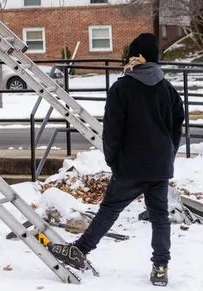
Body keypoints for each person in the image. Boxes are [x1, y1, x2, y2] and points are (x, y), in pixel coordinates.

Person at [48, 33, 184, 287]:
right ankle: (161, 267)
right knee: (159, 216)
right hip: (159, 166)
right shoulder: (168, 89)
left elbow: (111, 132)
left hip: (130, 165)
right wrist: (169, 153)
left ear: (137, 57)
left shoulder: (122, 88)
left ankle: (81, 250)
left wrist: (114, 161)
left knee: (110, 209)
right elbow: (178, 123)